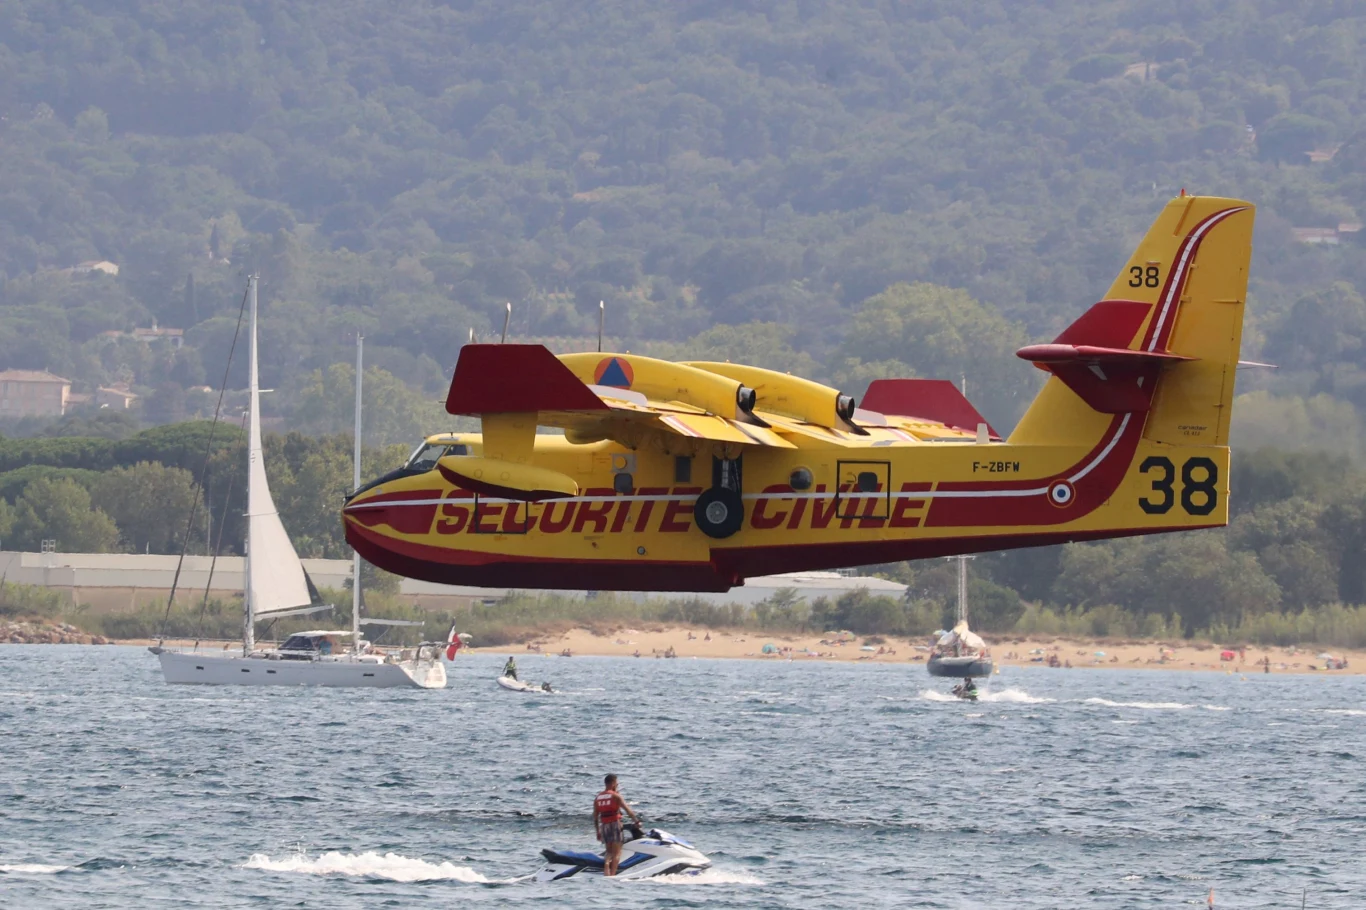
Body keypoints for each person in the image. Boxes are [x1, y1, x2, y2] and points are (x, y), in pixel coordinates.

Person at [593, 773, 640, 876]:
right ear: (613, 783)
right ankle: (612, 874)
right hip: (615, 824)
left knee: (608, 851)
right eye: (616, 783)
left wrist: (598, 831)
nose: (617, 785)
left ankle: (606, 867)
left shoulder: (598, 797)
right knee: (617, 853)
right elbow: (628, 811)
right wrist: (636, 821)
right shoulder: (615, 796)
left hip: (604, 825)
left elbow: (595, 817)